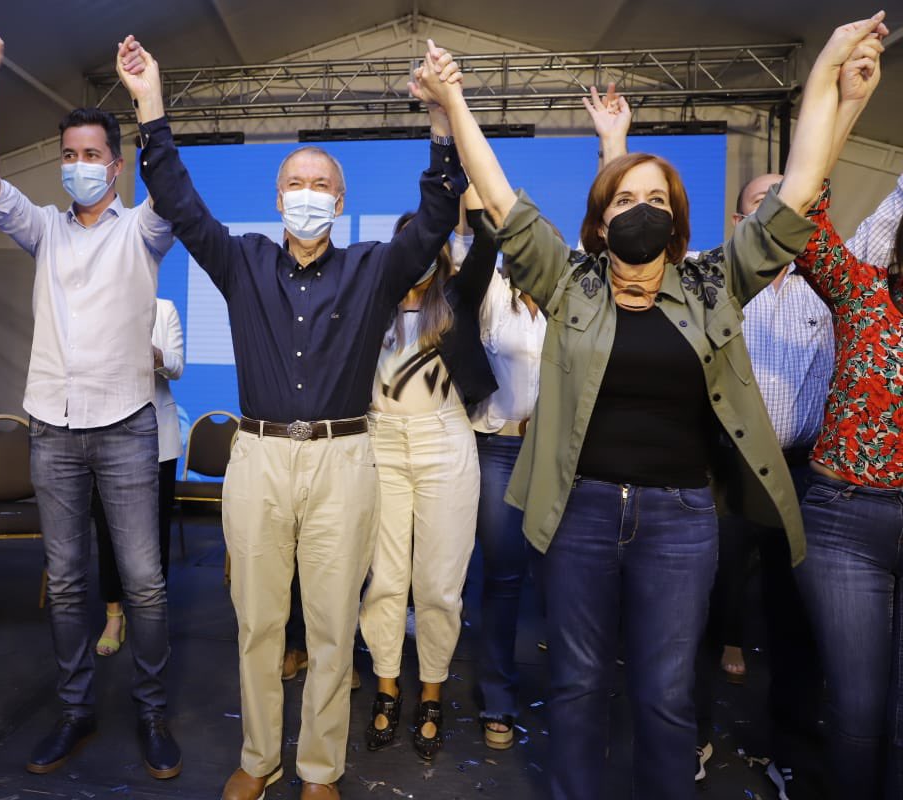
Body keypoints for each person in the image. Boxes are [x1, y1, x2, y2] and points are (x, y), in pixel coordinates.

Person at [413, 13, 880, 795]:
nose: (642, 209)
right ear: (602, 219)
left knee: (666, 696)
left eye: (657, 198)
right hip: (581, 513)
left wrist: (830, 72)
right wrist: (455, 100)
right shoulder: (569, 282)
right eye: (626, 197)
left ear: (676, 217)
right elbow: (495, 194)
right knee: (577, 685)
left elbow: (798, 191)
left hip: (682, 519)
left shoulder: (712, 284)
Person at [118, 33, 466, 800]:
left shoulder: (375, 268)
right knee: (258, 624)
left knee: (334, 625)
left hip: (345, 459)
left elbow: (439, 212)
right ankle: (258, 759)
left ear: (338, 203)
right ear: (278, 200)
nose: (308, 192)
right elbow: (178, 197)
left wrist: (441, 119)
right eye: (296, 182)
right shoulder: (240, 260)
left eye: (321, 184)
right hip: (260, 459)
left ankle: (318, 770)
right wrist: (150, 104)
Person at [591, 86, 834, 796]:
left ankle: (792, 750)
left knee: (793, 622)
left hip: (801, 475)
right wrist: (614, 145)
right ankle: (690, 739)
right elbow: (627, 232)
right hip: (718, 477)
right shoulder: (705, 280)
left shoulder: (820, 290)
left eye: (783, 201)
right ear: (736, 221)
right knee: (694, 622)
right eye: (759, 202)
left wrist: (837, 100)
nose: (772, 210)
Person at [0, 32, 181, 780]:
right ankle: (74, 710)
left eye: (92, 155)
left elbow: (173, 193)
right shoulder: (45, 229)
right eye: (69, 155)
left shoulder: (143, 229)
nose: (78, 165)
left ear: (116, 166)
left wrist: (148, 97)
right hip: (52, 428)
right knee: (64, 581)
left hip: (126, 426)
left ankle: (152, 712)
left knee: (144, 582)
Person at [788, 27, 903, 799]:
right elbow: (801, 209)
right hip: (846, 521)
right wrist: (842, 93)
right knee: (858, 713)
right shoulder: (863, 292)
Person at [359, 205, 496, 761]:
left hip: (445, 442)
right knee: (385, 579)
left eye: (426, 239)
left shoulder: (457, 296)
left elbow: (488, 240)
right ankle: (387, 686)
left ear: (439, 250)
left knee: (439, 585)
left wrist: (469, 196)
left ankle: (432, 692)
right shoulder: (371, 305)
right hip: (381, 443)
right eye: (407, 240)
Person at [454, 186, 546, 753]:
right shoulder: (491, 290)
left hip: (558, 455)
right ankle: (498, 698)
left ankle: (573, 699)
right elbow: (472, 239)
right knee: (504, 578)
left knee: (566, 581)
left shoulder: (571, 297)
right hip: (498, 450)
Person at [94, 297, 184, 657]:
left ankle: (151, 618)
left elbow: (178, 365)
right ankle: (114, 615)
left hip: (158, 437)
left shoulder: (164, 308)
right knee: (107, 530)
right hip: (104, 434)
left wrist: (156, 356)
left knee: (156, 532)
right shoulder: (96, 306)